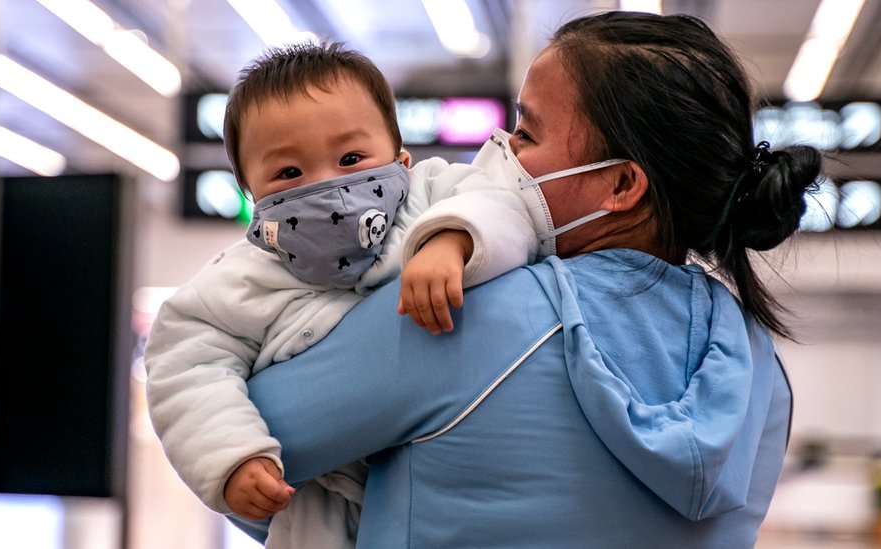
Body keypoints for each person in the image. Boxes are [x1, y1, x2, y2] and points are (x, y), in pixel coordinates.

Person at [236, 11, 823, 548]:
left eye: (528, 133)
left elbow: (244, 452)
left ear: (621, 185)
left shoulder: (467, 312)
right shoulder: (758, 365)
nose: (503, 150)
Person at [144, 42, 536, 549]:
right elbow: (185, 365)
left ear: (401, 161)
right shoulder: (240, 278)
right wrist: (232, 456)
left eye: (351, 159)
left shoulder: (432, 195)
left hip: (456, 480)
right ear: (252, 197)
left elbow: (505, 207)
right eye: (289, 173)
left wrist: (451, 239)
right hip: (323, 512)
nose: (327, 186)